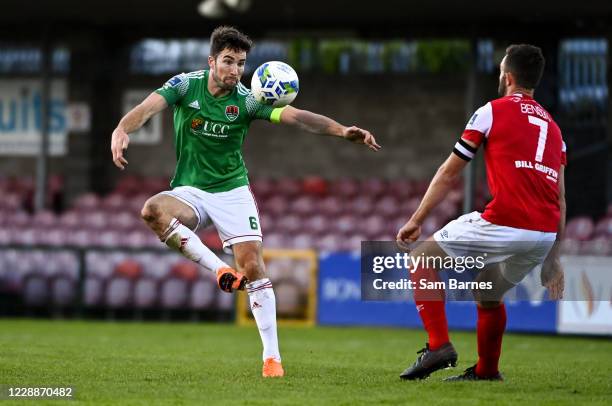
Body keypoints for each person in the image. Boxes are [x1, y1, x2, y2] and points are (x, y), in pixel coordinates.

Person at [110, 26, 380, 378]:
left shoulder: (249, 99)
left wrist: (342, 130)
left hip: (233, 192)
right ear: (211, 61)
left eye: (240, 63)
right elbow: (146, 109)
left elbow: (297, 117)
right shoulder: (184, 85)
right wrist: (121, 129)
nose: (235, 70)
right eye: (228, 61)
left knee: (252, 266)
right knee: (152, 210)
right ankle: (220, 270)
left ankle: (272, 359)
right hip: (189, 190)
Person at [396, 44, 566, 381]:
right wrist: (553, 257)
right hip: (543, 234)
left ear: (507, 76)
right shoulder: (555, 130)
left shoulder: (491, 111)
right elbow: (560, 198)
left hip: (506, 220)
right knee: (488, 290)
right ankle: (487, 371)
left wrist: (416, 220)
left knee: (420, 259)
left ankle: (438, 346)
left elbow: (449, 172)